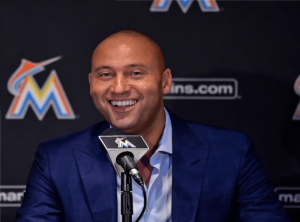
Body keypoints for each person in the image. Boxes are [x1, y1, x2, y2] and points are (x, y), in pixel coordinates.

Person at [16, 30, 290, 222]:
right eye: (105, 74)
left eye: (135, 73)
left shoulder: (232, 153)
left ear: (165, 81)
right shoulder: (57, 160)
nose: (119, 87)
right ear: (91, 83)